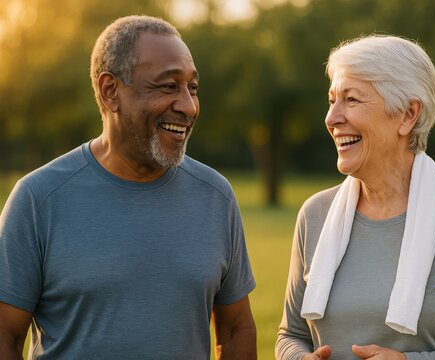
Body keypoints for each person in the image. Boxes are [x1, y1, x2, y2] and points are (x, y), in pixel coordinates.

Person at [0, 15, 256, 359]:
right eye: (168, 86)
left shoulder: (216, 196)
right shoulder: (38, 199)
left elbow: (236, 328)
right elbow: (5, 335)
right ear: (111, 91)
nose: (188, 106)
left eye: (192, 88)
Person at [275, 35, 435, 359]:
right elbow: (290, 335)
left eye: (351, 100)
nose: (332, 118)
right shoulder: (314, 215)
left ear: (408, 114)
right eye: (331, 100)